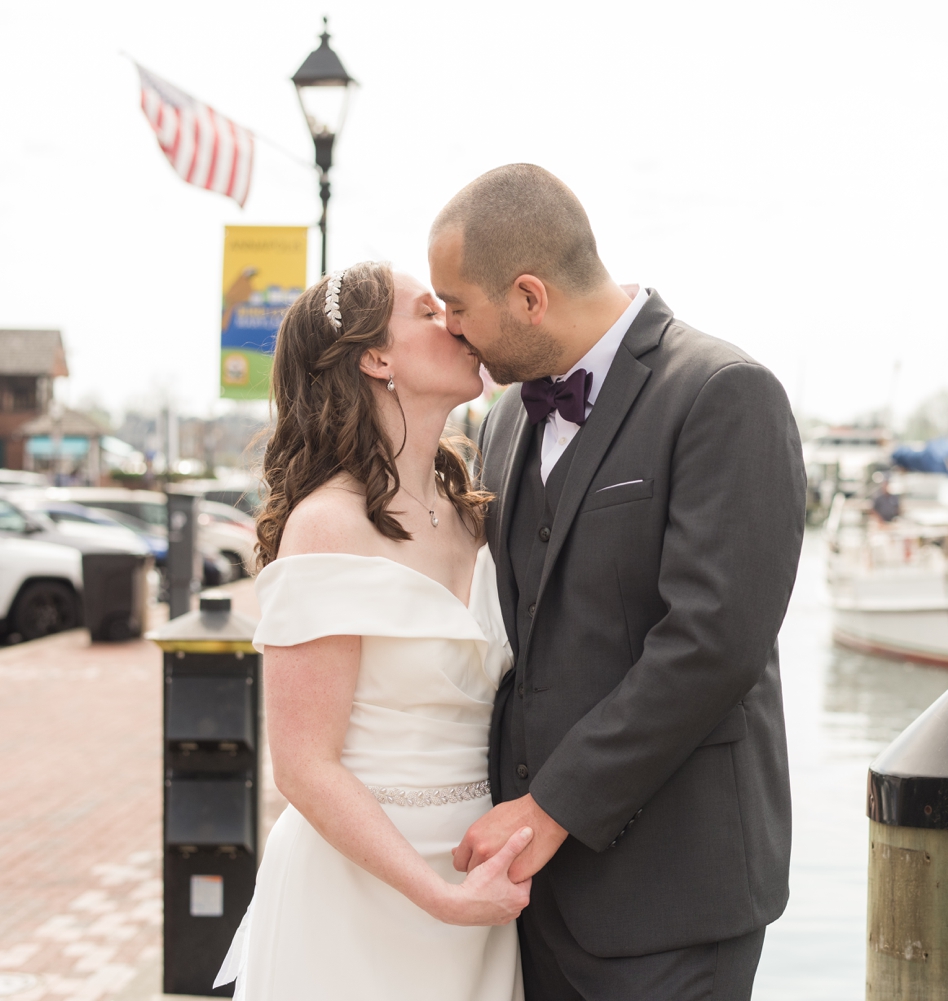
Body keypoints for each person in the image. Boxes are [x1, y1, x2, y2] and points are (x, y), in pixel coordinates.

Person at [431, 165, 805, 1000]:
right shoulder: (499, 423)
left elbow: (712, 643)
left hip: (673, 898)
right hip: (529, 902)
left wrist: (550, 807)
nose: (451, 331)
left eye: (458, 306)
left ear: (529, 296)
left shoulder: (722, 392)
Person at [216, 263, 532, 999]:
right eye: (430, 311)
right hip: (362, 893)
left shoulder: (476, 515)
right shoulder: (326, 524)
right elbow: (302, 764)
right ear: (376, 357)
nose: (456, 321)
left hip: (475, 870)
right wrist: (438, 896)